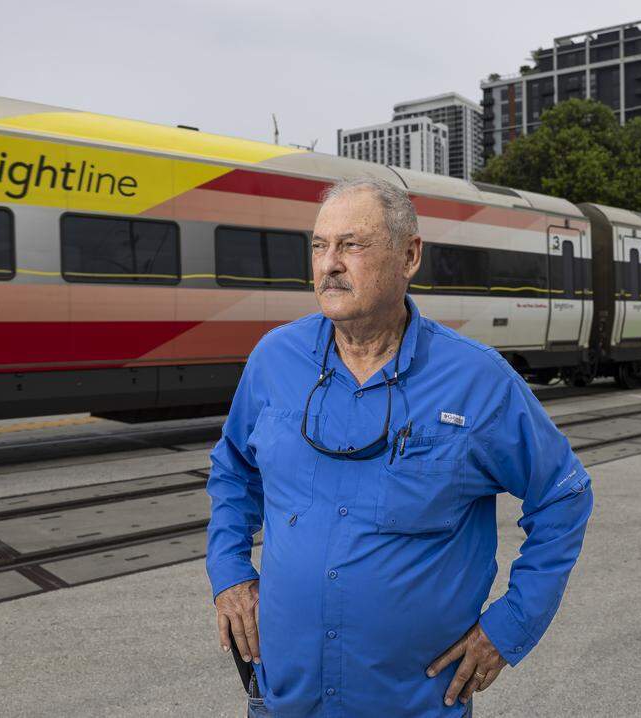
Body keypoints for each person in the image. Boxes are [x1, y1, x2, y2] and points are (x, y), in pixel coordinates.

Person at [205, 176, 594, 717]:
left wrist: (509, 627)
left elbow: (563, 494)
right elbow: (233, 469)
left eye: (352, 245)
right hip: (284, 700)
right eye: (319, 246)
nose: (329, 264)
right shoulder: (275, 359)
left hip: (411, 705)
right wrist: (229, 573)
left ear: (409, 256)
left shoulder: (477, 381)